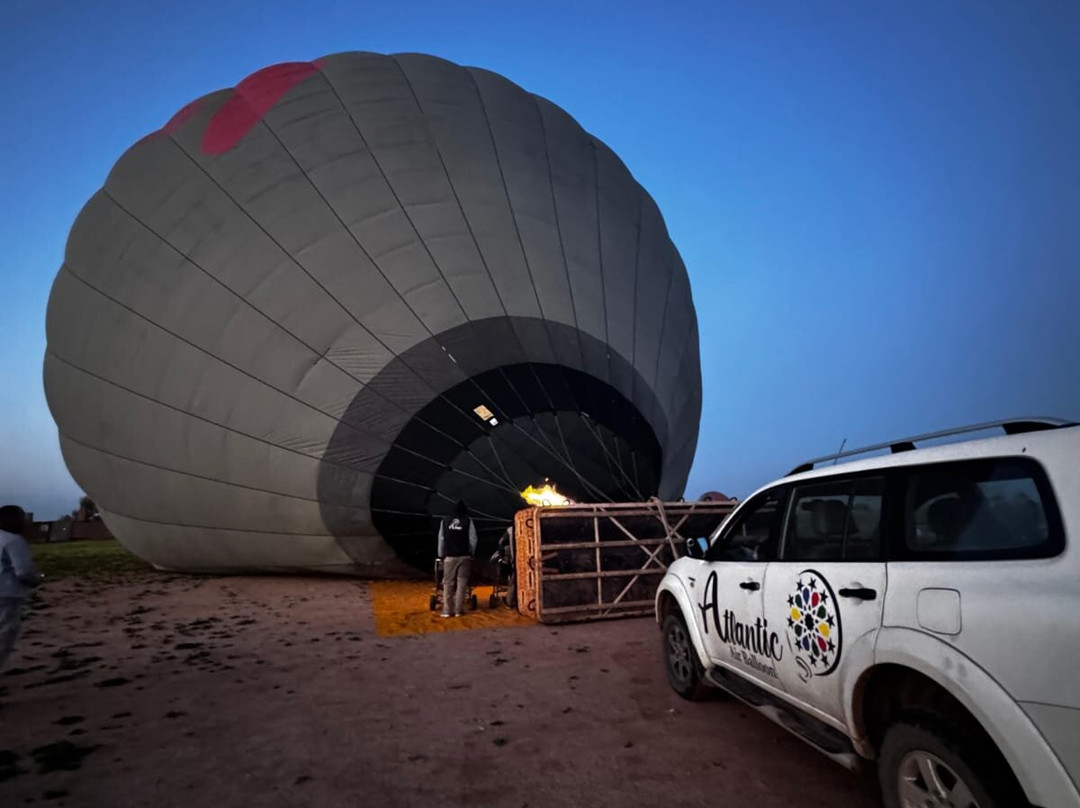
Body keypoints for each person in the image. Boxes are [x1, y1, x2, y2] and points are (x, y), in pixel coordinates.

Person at [0, 505, 41, 671]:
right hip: (7, 595)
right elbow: (24, 570)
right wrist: (35, 580)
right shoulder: (14, 540)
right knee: (4, 636)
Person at [437, 501, 477, 618]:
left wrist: (440, 555)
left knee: (448, 583)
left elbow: (441, 539)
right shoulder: (468, 521)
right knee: (462, 584)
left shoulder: (444, 521)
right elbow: (473, 540)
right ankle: (458, 610)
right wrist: (471, 553)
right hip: (465, 557)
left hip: (450, 557)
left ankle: (447, 610)